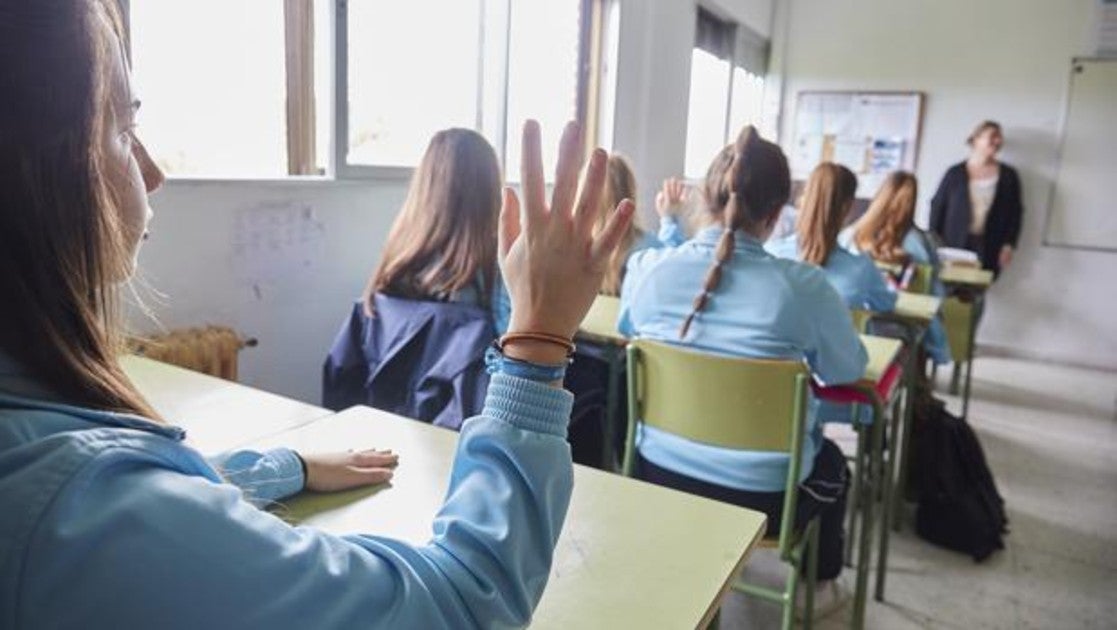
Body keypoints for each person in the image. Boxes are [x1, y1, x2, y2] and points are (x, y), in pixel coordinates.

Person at [0, 1, 634, 627]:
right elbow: (463, 606)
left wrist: (286, 467)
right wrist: (540, 336)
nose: (154, 172)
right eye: (122, 129)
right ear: (31, 165)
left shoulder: (386, 278)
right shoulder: (81, 511)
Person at [618, 127, 866, 603]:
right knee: (834, 466)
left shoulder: (647, 269)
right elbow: (845, 372)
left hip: (657, 475)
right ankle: (820, 589)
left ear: (703, 198)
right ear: (776, 215)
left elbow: (628, 331)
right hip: (766, 500)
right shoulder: (805, 287)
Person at [365, 128, 512, 334]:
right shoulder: (496, 265)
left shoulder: (400, 256)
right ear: (490, 187)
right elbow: (513, 342)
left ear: (426, 184)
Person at [841, 172, 952, 365]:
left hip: (849, 331)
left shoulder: (850, 236)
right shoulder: (922, 243)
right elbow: (934, 295)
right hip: (898, 331)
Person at [767, 162, 896, 313]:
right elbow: (886, 304)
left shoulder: (770, 254)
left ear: (803, 199)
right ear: (848, 208)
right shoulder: (862, 269)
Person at [929, 120, 1024, 277]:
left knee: (980, 286)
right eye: (992, 136)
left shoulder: (1009, 176)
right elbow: (937, 207)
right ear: (976, 139)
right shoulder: (955, 173)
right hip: (953, 243)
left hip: (990, 245)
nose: (997, 141)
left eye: (999, 137)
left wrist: (1009, 245)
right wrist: (933, 242)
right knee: (950, 284)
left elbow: (1015, 214)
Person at [594, 156, 686, 296]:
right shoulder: (647, 249)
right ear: (631, 193)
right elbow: (675, 266)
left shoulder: (574, 250)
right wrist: (669, 218)